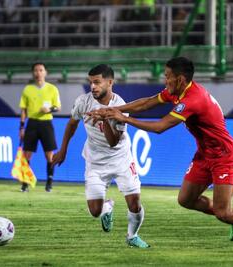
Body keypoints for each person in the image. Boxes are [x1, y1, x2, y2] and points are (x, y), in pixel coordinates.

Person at [89, 57, 233, 251]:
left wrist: (123, 119)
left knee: (223, 212)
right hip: (205, 154)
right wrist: (111, 110)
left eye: (167, 77)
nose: (165, 81)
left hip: (224, 156)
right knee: (186, 200)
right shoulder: (178, 92)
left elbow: (160, 126)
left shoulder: (192, 99)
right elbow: (147, 103)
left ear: (180, 79)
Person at [51, 64, 149, 248]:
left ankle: (132, 236)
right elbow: (72, 125)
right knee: (95, 211)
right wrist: (63, 150)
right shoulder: (83, 102)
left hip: (121, 159)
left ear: (110, 82)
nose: (93, 87)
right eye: (90, 83)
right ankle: (107, 207)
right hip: (95, 162)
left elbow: (113, 142)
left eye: (97, 82)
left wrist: (105, 121)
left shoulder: (120, 107)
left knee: (134, 203)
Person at [19, 62, 61, 192]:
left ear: (45, 72)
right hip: (32, 123)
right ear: (33, 73)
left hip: (46, 123)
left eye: (41, 70)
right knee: (27, 155)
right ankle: (25, 183)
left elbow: (58, 107)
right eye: (36, 70)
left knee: (49, 155)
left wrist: (49, 109)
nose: (38, 73)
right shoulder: (27, 89)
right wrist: (21, 127)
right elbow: (23, 110)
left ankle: (49, 183)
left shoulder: (52, 89)